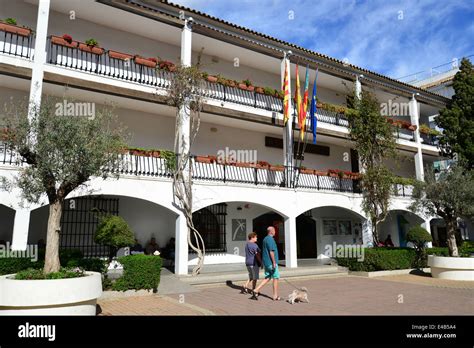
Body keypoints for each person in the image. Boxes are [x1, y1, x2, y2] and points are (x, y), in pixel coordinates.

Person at [251, 226, 281, 301]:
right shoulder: (270, 239)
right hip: (271, 263)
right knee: (276, 278)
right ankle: (275, 296)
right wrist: (274, 262)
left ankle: (256, 289)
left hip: (266, 262)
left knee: (267, 277)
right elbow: (271, 251)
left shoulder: (265, 239)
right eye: (274, 230)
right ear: (271, 231)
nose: (275, 232)